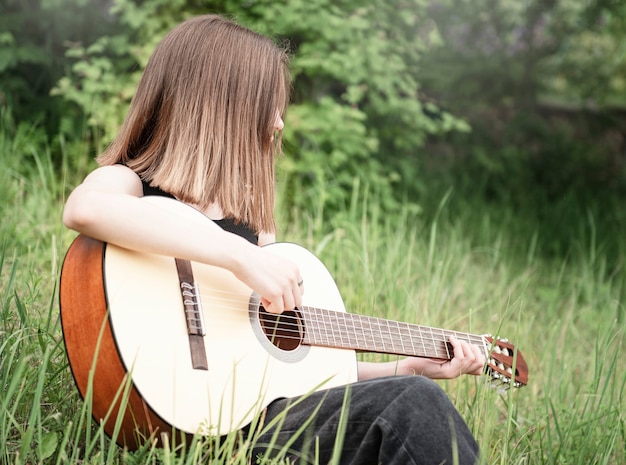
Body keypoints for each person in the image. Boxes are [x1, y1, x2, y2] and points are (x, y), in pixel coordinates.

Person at [63, 14, 487, 465]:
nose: (280, 123)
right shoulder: (130, 184)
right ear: (222, 106)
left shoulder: (251, 227)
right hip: (191, 421)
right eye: (270, 105)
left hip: (260, 423)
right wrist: (236, 255)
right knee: (415, 403)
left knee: (413, 397)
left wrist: (402, 369)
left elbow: (284, 375)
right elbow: (84, 209)